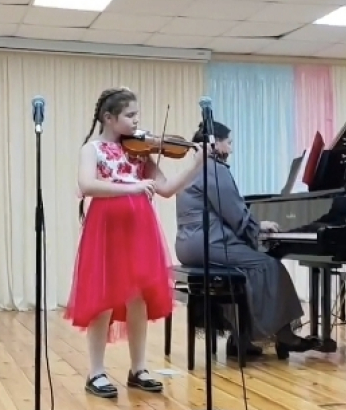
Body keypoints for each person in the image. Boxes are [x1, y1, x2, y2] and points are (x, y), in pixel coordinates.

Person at [65, 87, 207, 399]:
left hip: (140, 228)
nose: (136, 121)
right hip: (106, 228)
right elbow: (87, 184)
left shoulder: (140, 152)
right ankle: (96, 372)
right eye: (130, 115)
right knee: (102, 297)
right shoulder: (92, 149)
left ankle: (138, 369)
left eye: (136, 115)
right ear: (109, 118)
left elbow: (166, 189)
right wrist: (131, 187)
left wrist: (195, 166)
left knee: (138, 298)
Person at [174, 121, 321, 360]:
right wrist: (257, 226)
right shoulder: (214, 169)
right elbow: (233, 211)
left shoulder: (194, 169)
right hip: (208, 244)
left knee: (244, 270)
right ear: (215, 143)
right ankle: (285, 336)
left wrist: (251, 229)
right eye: (229, 143)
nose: (231, 149)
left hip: (187, 246)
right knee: (269, 266)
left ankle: (241, 338)